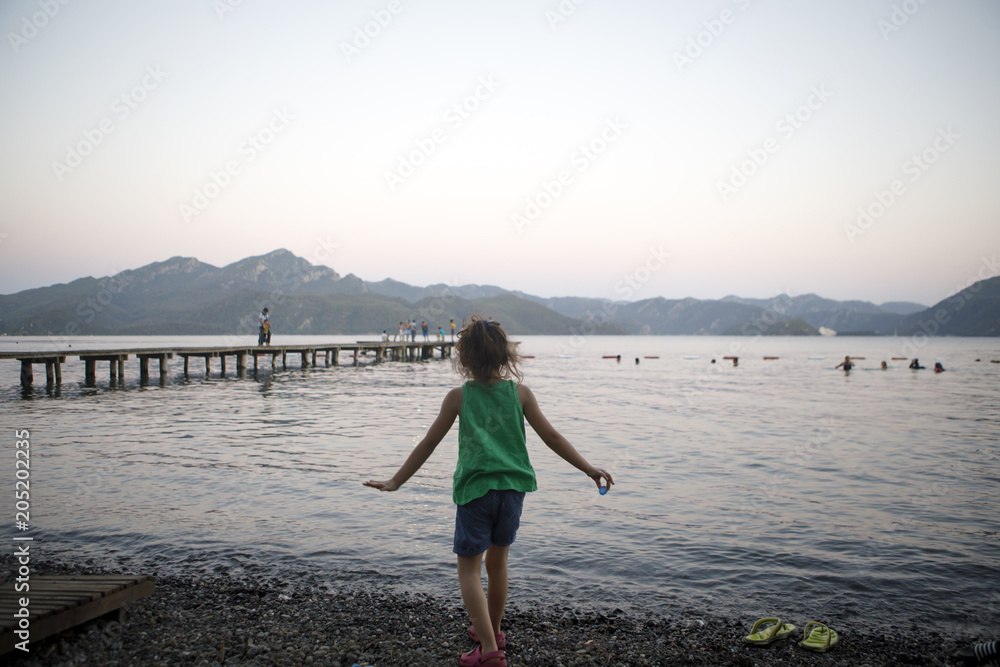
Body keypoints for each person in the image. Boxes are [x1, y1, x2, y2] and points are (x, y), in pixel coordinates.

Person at [364, 316, 614, 667]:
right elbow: (552, 437)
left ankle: (489, 650)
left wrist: (396, 480)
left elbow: (428, 443)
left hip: (475, 492)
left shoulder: (458, 398)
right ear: (504, 356)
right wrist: (588, 468)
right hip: (512, 491)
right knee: (498, 565)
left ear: (464, 359)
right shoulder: (520, 394)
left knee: (469, 570)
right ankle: (492, 630)